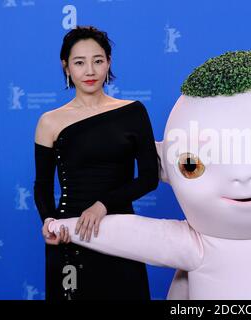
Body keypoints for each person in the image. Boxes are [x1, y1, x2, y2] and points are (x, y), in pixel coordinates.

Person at [33, 26, 159, 300]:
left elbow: (149, 177)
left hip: (121, 232)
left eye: (98, 61)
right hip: (69, 235)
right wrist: (49, 221)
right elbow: (42, 186)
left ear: (108, 62)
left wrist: (103, 205)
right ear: (66, 66)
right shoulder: (49, 121)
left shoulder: (133, 112)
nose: (90, 71)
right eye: (80, 62)